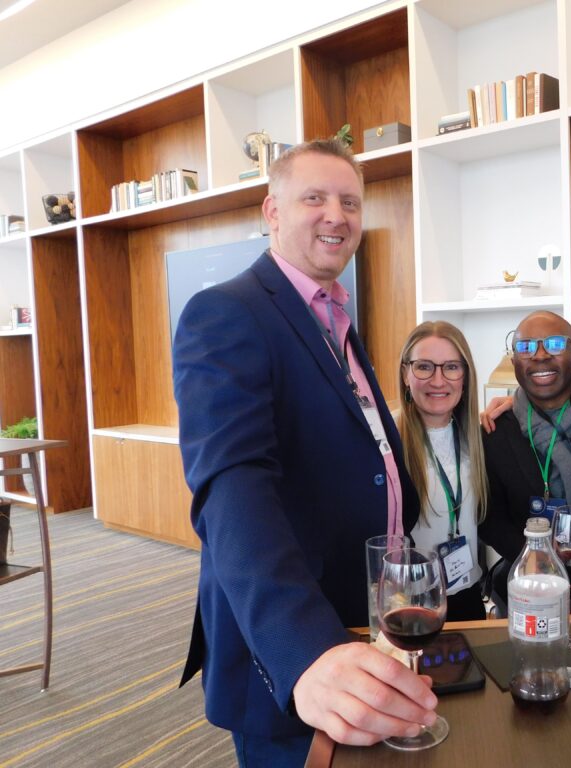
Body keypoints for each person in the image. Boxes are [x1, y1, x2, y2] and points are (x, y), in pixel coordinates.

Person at [173, 139, 438, 766]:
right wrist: (305, 650)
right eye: (313, 197)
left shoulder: (334, 317)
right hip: (297, 654)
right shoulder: (227, 312)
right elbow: (232, 489)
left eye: (350, 202)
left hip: (357, 624)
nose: (337, 215)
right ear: (271, 210)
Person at [478, 311, 571, 614]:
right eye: (526, 347)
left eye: (555, 344)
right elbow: (490, 518)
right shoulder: (496, 431)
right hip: (527, 594)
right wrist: (538, 559)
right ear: (514, 361)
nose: (540, 355)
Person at [396, 320, 489, 621]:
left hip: (468, 596)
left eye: (451, 367)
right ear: (406, 374)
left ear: (465, 376)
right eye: (424, 367)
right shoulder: (385, 441)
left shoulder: (478, 436)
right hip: (411, 605)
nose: (438, 380)